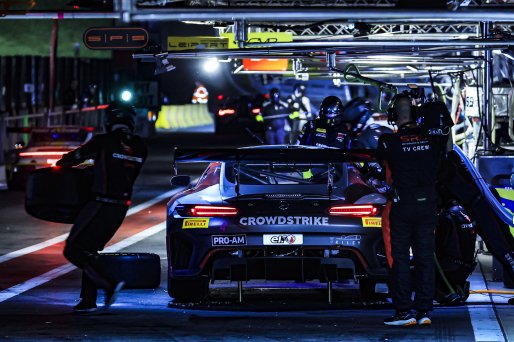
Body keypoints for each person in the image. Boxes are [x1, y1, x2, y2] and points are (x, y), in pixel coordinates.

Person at [56, 103, 148, 313]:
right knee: (89, 251)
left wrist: (65, 165)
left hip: (101, 203)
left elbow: (72, 159)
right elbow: (119, 166)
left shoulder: (103, 141)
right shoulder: (141, 147)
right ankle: (88, 299)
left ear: (108, 121)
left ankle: (109, 284)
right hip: (121, 207)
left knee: (73, 249)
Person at [377, 93, 446, 326]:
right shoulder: (432, 140)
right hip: (428, 205)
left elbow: (382, 166)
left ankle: (404, 312)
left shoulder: (388, 141)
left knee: (400, 260)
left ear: (394, 116)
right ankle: (425, 310)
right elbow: (445, 152)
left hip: (402, 205)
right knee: (426, 258)